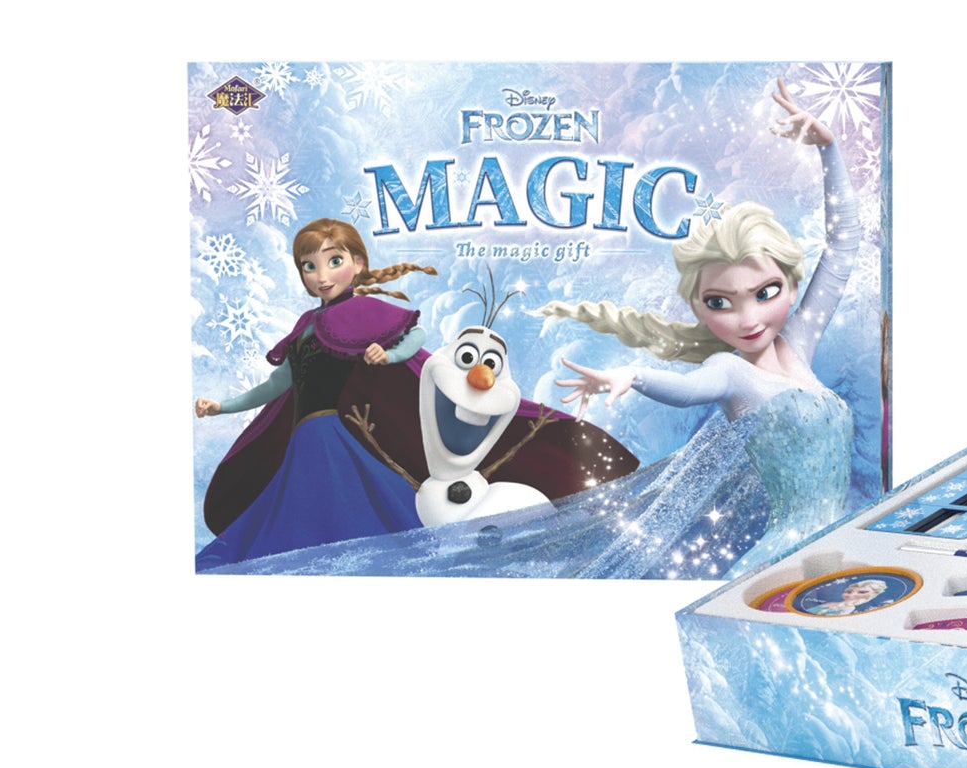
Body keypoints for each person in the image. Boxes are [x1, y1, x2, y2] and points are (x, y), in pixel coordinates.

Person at [510, 77, 862, 579]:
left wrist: (828, 149)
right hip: (786, 560)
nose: (748, 319)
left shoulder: (799, 344)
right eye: (720, 302)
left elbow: (843, 246)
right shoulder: (732, 373)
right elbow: (689, 389)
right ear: (699, 308)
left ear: (790, 283)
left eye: (765, 293)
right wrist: (632, 375)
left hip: (838, 546)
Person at [194, 220, 635, 569]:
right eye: (309, 267)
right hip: (302, 442)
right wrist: (222, 406)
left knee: (369, 515)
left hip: (335, 435)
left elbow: (415, 335)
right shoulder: (304, 328)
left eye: (333, 261)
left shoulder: (363, 309)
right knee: (295, 515)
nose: (321, 276)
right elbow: (278, 385)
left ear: (357, 263)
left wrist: (389, 355)